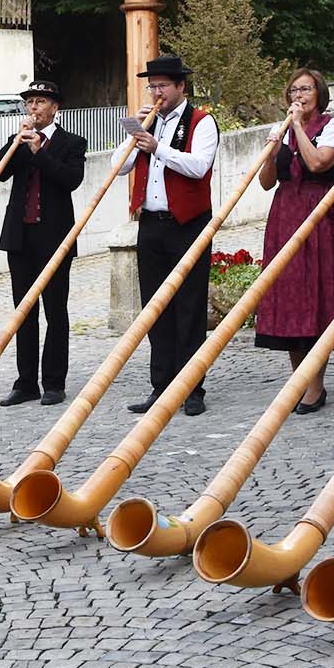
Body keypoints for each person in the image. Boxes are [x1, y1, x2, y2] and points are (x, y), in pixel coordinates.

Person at [252, 69, 334, 413]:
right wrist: (272, 151)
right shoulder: (282, 129)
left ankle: (316, 385)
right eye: (294, 90)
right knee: (290, 295)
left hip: (319, 213)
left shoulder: (333, 126)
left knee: (316, 295)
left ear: (319, 93)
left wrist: (297, 127)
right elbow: (266, 182)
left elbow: (317, 163)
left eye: (306, 89)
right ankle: (298, 379)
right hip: (285, 214)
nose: (299, 95)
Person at [119, 56, 218, 417]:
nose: (156, 92)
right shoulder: (149, 122)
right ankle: (161, 386)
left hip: (188, 223)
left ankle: (192, 388)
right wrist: (135, 135)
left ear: (180, 87)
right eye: (152, 86)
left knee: (189, 306)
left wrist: (157, 147)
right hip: (151, 224)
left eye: (162, 85)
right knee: (155, 307)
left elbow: (198, 166)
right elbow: (120, 166)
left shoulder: (202, 121)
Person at [0, 80, 88, 406]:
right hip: (19, 238)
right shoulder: (18, 140)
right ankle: (26, 382)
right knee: (23, 312)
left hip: (55, 238)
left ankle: (54, 383)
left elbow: (71, 180)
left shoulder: (71, 142)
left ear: (55, 108)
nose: (34, 108)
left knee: (55, 311)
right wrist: (18, 144)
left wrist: (39, 153)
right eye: (30, 102)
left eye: (41, 102)